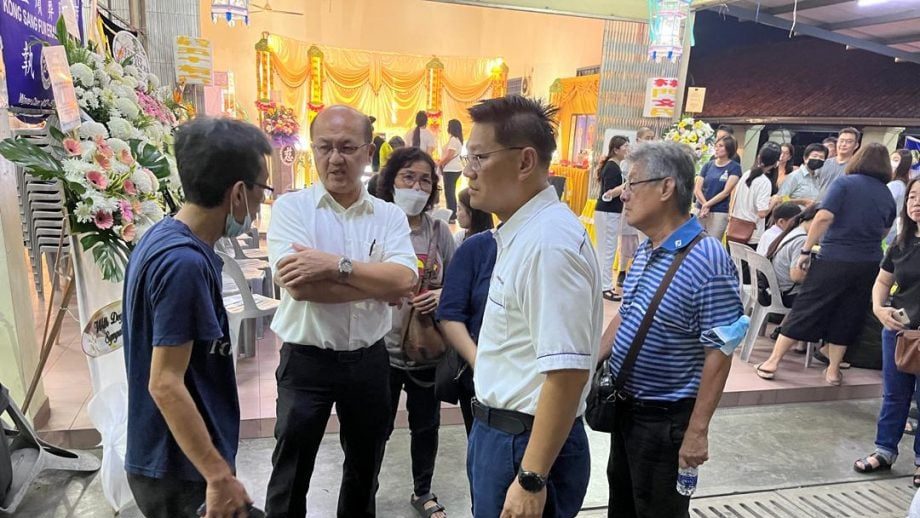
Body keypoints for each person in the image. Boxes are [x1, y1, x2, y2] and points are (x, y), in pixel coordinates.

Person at [265, 105, 418, 518]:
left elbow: (405, 281)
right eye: (325, 147)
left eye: (348, 148)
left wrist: (336, 266)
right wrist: (376, 282)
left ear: (368, 152)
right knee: (290, 473)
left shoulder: (388, 215)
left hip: (369, 363)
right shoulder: (291, 209)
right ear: (312, 150)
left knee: (365, 472)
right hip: (306, 362)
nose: (336, 159)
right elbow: (300, 287)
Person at [122, 117, 272, 518]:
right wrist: (217, 475)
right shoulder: (183, 264)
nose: (261, 204)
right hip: (179, 469)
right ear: (238, 193)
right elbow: (164, 383)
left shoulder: (163, 235)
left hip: (173, 461)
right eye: (262, 190)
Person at [462, 95, 602, 518]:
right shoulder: (524, 233)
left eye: (479, 157)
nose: (468, 171)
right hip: (505, 436)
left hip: (524, 445)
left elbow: (567, 372)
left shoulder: (548, 244)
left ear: (525, 161)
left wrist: (531, 478)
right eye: (468, 158)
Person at [600, 141, 747, 518]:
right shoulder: (648, 248)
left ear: (666, 187)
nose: (624, 194)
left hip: (665, 423)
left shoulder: (708, 260)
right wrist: (586, 366)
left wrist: (697, 431)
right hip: (627, 411)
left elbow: (720, 352)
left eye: (633, 184)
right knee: (622, 506)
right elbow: (627, 315)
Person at [754, 143, 897, 386]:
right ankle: (832, 371)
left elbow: (823, 216)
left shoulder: (844, 184)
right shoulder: (886, 193)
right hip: (868, 263)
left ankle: (773, 362)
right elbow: (885, 230)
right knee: (849, 314)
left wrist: (806, 249)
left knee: (807, 307)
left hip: (835, 257)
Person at [375, 146, 456, 518]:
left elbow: (459, 286)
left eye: (425, 180)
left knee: (426, 426)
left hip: (426, 350)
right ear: (391, 181)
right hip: (380, 351)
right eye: (408, 177)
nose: (417, 187)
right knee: (375, 427)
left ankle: (423, 491)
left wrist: (441, 295)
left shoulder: (438, 232)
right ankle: (365, 488)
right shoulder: (376, 226)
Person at [854, 178, 920, 487]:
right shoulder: (900, 243)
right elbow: (883, 281)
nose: (916, 203)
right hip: (899, 331)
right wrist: (879, 309)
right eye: (912, 197)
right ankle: (884, 451)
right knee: (894, 395)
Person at [438, 198, 497, 434]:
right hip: (477, 373)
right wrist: (476, 361)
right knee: (478, 435)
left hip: (526, 383)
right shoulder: (474, 247)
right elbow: (450, 311)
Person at [763, 205, 820, 309]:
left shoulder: (793, 232)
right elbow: (796, 277)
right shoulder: (802, 240)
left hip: (778, 290)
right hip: (789, 295)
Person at [595, 136, 629, 301]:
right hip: (607, 212)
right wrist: (626, 186)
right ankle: (605, 286)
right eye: (625, 146)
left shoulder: (615, 166)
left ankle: (602, 284)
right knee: (608, 249)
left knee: (606, 249)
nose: (627, 149)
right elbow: (608, 194)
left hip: (610, 212)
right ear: (616, 149)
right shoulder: (612, 167)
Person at [729, 142, 780, 249]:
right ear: (776, 163)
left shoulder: (747, 174)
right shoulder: (764, 182)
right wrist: (774, 201)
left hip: (734, 227)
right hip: (751, 233)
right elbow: (762, 213)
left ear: (759, 157)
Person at [695, 135, 743, 240]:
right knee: (695, 240)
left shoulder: (734, 168)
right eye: (716, 146)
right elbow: (697, 189)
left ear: (729, 149)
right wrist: (704, 204)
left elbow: (726, 192)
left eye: (721, 146)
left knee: (713, 241)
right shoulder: (708, 165)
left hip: (718, 211)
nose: (717, 149)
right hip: (700, 208)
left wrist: (708, 205)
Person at [774, 143, 828, 207]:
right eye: (815, 156)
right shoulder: (795, 176)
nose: (818, 159)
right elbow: (781, 198)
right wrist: (801, 201)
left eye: (821, 157)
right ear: (805, 158)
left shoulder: (818, 179)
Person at [815, 128, 860, 201]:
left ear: (856, 145)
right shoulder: (823, 163)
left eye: (849, 142)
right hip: (817, 205)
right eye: (841, 141)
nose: (844, 144)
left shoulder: (857, 167)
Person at [439, 119, 465, 224]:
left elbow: (449, 155)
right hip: (454, 168)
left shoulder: (454, 140)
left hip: (451, 169)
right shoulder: (456, 139)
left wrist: (440, 163)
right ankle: (452, 214)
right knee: (450, 192)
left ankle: (452, 215)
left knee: (449, 192)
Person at [887, 149, 914, 245]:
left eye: (895, 160)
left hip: (886, 232)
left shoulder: (895, 185)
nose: (891, 163)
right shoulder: (903, 185)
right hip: (893, 233)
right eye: (890, 159)